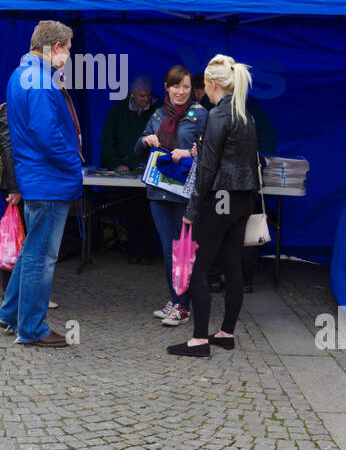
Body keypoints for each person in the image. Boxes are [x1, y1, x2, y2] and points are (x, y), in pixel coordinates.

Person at [0, 21, 82, 347]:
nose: (69, 56)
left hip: (36, 179)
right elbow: (47, 134)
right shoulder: (42, 81)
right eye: (69, 49)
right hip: (50, 181)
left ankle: (10, 314)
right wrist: (73, 164)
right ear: (56, 48)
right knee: (41, 257)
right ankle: (31, 329)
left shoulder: (20, 75)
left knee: (31, 252)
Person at [168, 55, 259, 358]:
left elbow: (207, 170)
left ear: (212, 83)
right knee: (233, 266)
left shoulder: (219, 115)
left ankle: (198, 341)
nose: (201, 90)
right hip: (243, 199)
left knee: (198, 269)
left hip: (220, 200)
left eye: (203, 84)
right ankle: (226, 332)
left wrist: (192, 210)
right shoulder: (244, 113)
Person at [137, 66, 206, 327]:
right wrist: (146, 140)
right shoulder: (156, 114)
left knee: (182, 250)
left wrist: (190, 153)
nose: (181, 91)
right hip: (158, 191)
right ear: (166, 87)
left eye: (186, 87)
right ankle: (177, 300)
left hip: (184, 193)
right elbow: (138, 149)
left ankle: (184, 305)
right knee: (168, 249)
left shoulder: (200, 115)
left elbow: (211, 151)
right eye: (176, 86)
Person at [100, 75, 159, 263]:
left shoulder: (158, 111)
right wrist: (117, 164)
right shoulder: (118, 110)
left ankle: (149, 252)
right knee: (132, 212)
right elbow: (108, 142)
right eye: (141, 96)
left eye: (148, 95)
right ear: (132, 95)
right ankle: (134, 252)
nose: (145, 100)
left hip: (150, 172)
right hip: (126, 174)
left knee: (150, 213)